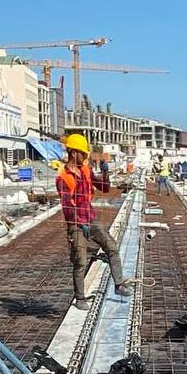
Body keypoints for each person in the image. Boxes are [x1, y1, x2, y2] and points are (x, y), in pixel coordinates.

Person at [57, 133, 130, 310]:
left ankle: (119, 284)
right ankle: (80, 298)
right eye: (83, 153)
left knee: (111, 247)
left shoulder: (86, 170)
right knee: (80, 261)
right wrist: (79, 223)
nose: (85, 156)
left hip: (91, 217)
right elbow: (67, 206)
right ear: (74, 153)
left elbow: (104, 188)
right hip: (76, 224)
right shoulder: (63, 178)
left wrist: (105, 172)